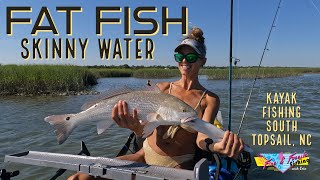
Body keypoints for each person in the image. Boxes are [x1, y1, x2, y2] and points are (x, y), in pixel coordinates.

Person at [68, 27, 244, 180]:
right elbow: (143, 128)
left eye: (191, 56)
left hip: (179, 165)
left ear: (202, 60)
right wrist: (135, 127)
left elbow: (202, 138)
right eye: (179, 56)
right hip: (144, 155)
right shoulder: (161, 88)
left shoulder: (209, 99)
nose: (184, 61)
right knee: (78, 177)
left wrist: (216, 146)